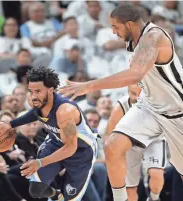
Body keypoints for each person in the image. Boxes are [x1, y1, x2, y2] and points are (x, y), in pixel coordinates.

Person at [58, 3, 183, 201]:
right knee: (112, 145)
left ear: (130, 24)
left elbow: (135, 75)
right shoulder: (133, 38)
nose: (113, 32)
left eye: (116, 27)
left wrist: (88, 86)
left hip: (177, 111)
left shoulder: (153, 37)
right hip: (149, 106)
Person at [2, 67, 98, 200]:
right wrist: (10, 125)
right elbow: (35, 113)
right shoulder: (37, 100)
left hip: (80, 152)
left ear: (51, 90)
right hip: (55, 143)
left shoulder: (65, 111)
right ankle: (56, 195)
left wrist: (40, 162)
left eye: (38, 91)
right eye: (30, 91)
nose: (33, 96)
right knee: (36, 189)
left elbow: (71, 147)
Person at [105, 84, 168, 201]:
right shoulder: (121, 105)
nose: (137, 97)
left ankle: (154, 198)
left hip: (153, 140)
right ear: (128, 91)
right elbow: (109, 134)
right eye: (133, 93)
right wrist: (113, 155)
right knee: (130, 190)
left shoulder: (158, 101)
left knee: (156, 173)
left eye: (140, 94)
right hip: (130, 145)